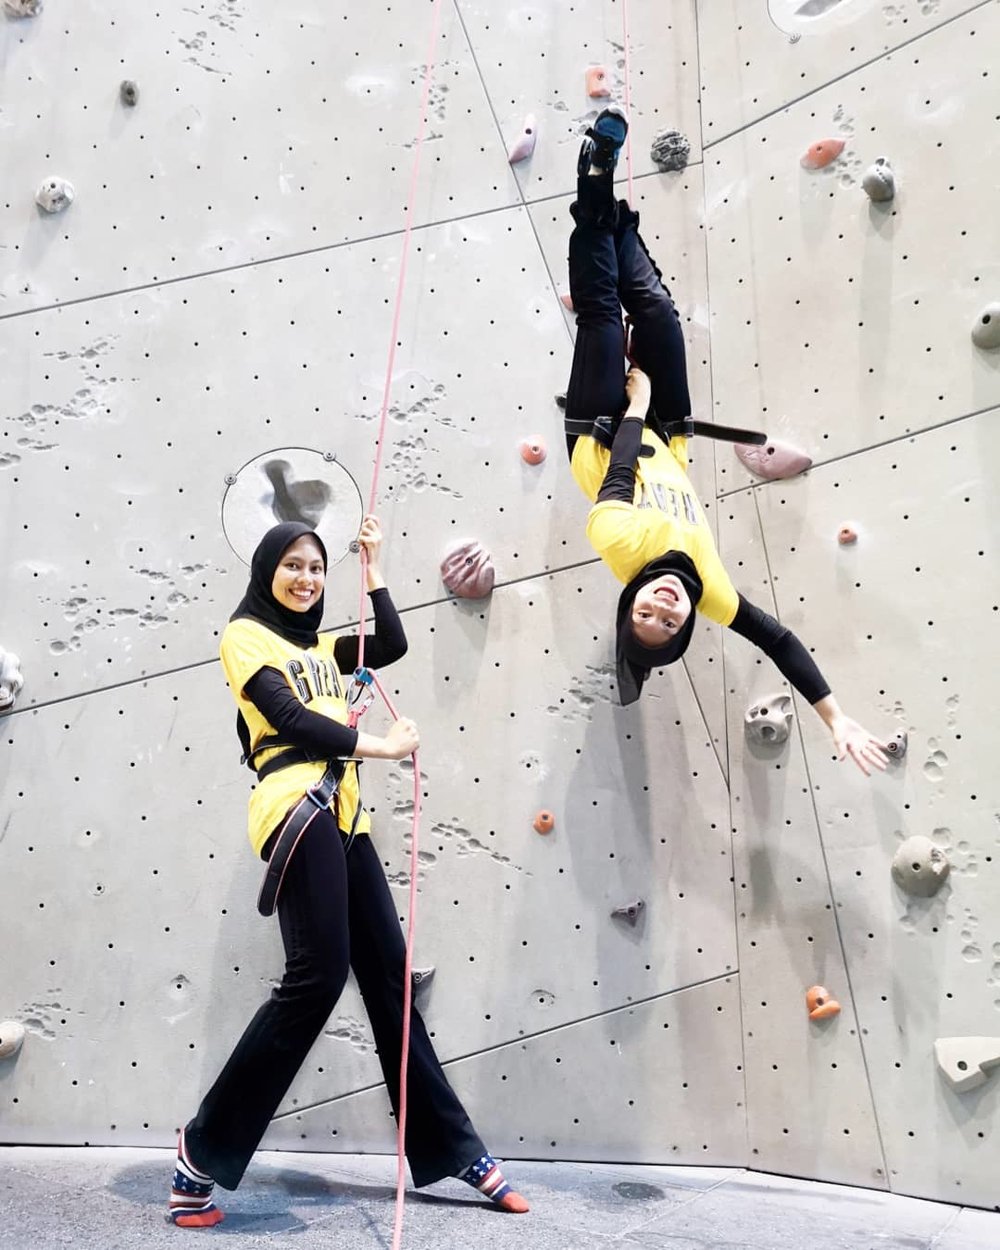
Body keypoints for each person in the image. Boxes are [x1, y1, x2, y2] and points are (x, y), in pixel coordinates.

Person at [168, 518, 528, 1226]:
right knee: (318, 977)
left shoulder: (321, 647)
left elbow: (389, 642)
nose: (307, 579)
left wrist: (375, 567)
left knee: (391, 978)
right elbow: (288, 718)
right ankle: (199, 1157)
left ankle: (454, 1147)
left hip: (345, 818)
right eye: (293, 566)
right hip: (294, 807)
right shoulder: (246, 637)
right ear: (267, 568)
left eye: (317, 568)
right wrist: (383, 750)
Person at [563, 108, 886, 776]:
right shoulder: (710, 592)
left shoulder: (619, 546)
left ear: (631, 601)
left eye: (644, 613)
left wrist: (638, 403)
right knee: (654, 311)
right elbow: (778, 638)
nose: (662, 607)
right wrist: (835, 714)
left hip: (604, 428)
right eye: (668, 624)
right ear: (684, 626)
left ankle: (593, 177)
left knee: (600, 312)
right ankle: (608, 210)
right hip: (670, 434)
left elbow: (620, 471)